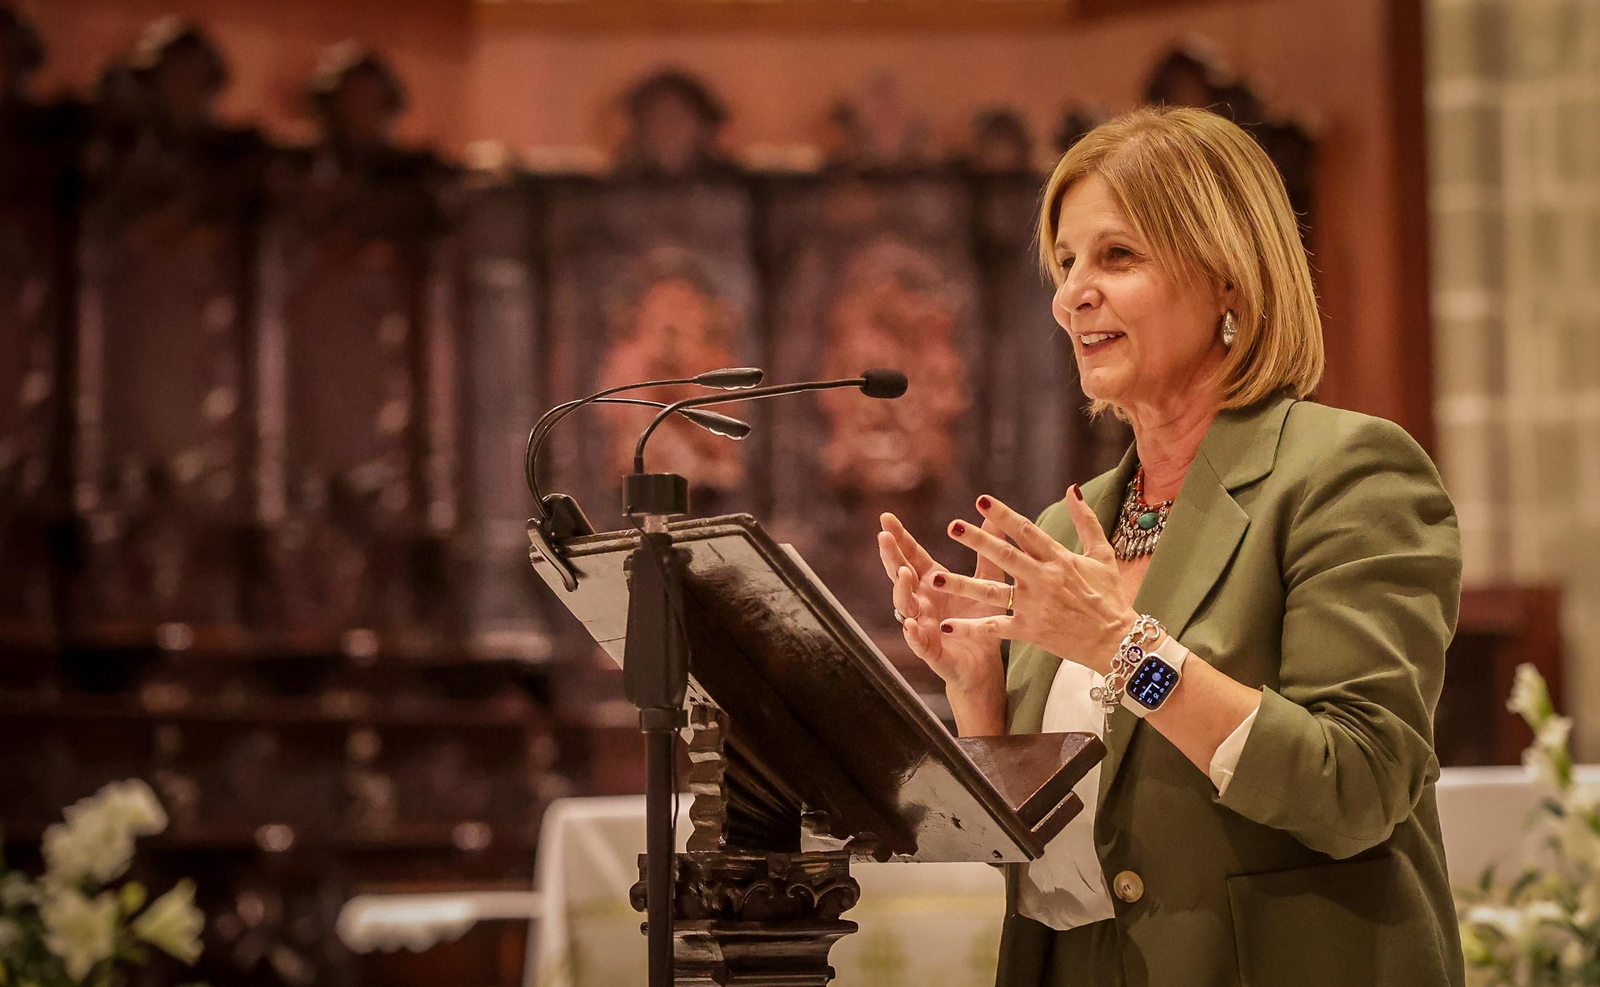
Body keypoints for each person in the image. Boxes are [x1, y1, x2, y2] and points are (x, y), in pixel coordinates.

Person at [876, 105, 1465, 987]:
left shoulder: (1345, 475)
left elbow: (1358, 787)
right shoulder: (1068, 529)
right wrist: (979, 694)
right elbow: (1051, 859)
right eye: (1066, 261)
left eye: (1118, 256)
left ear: (1228, 279)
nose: (1075, 290)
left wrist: (1121, 650)